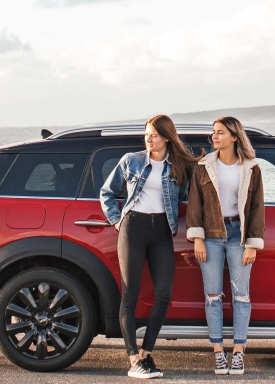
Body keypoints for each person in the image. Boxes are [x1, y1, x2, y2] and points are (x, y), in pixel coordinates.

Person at [100, 114, 197, 379]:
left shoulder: (177, 166)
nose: (148, 138)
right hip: (133, 227)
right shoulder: (131, 161)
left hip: (162, 231)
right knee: (130, 294)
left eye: (153, 134)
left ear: (167, 136)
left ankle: (146, 352)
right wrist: (118, 221)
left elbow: (186, 196)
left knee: (164, 293)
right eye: (146, 134)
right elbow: (107, 192)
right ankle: (133, 359)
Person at [186, 116, 265, 375]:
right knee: (212, 296)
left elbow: (257, 208)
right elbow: (194, 204)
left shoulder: (252, 168)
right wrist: (197, 238)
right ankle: (218, 352)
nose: (214, 137)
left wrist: (252, 243)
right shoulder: (203, 166)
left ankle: (239, 351)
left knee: (241, 295)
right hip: (210, 235)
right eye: (213, 133)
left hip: (238, 236)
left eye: (220, 132)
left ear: (234, 136)